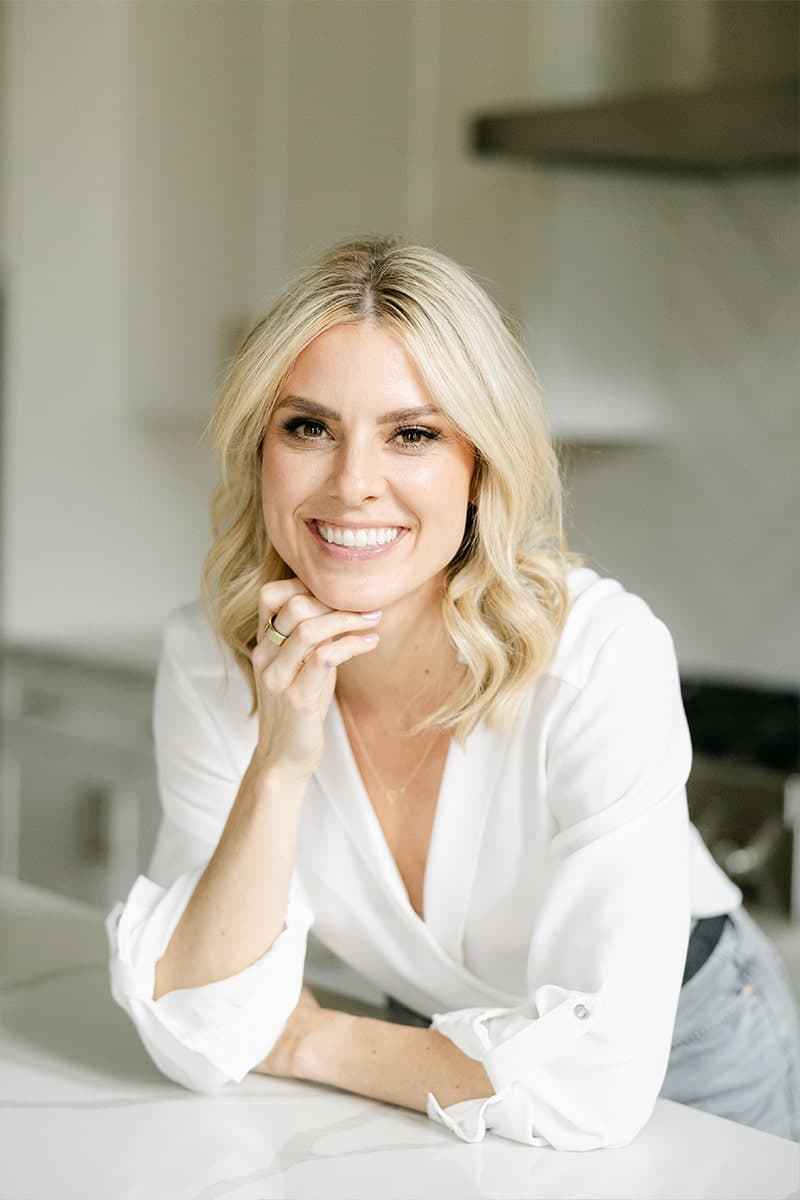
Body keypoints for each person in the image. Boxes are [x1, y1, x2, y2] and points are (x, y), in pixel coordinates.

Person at [106, 235, 800, 1148]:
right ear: (259, 451)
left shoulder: (595, 657)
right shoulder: (212, 659)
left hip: (683, 1045)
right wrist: (280, 760)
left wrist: (311, 1037)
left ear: (478, 467)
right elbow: (202, 1034)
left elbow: (593, 1088)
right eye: (308, 427)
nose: (354, 484)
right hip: (435, 1046)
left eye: (414, 434)